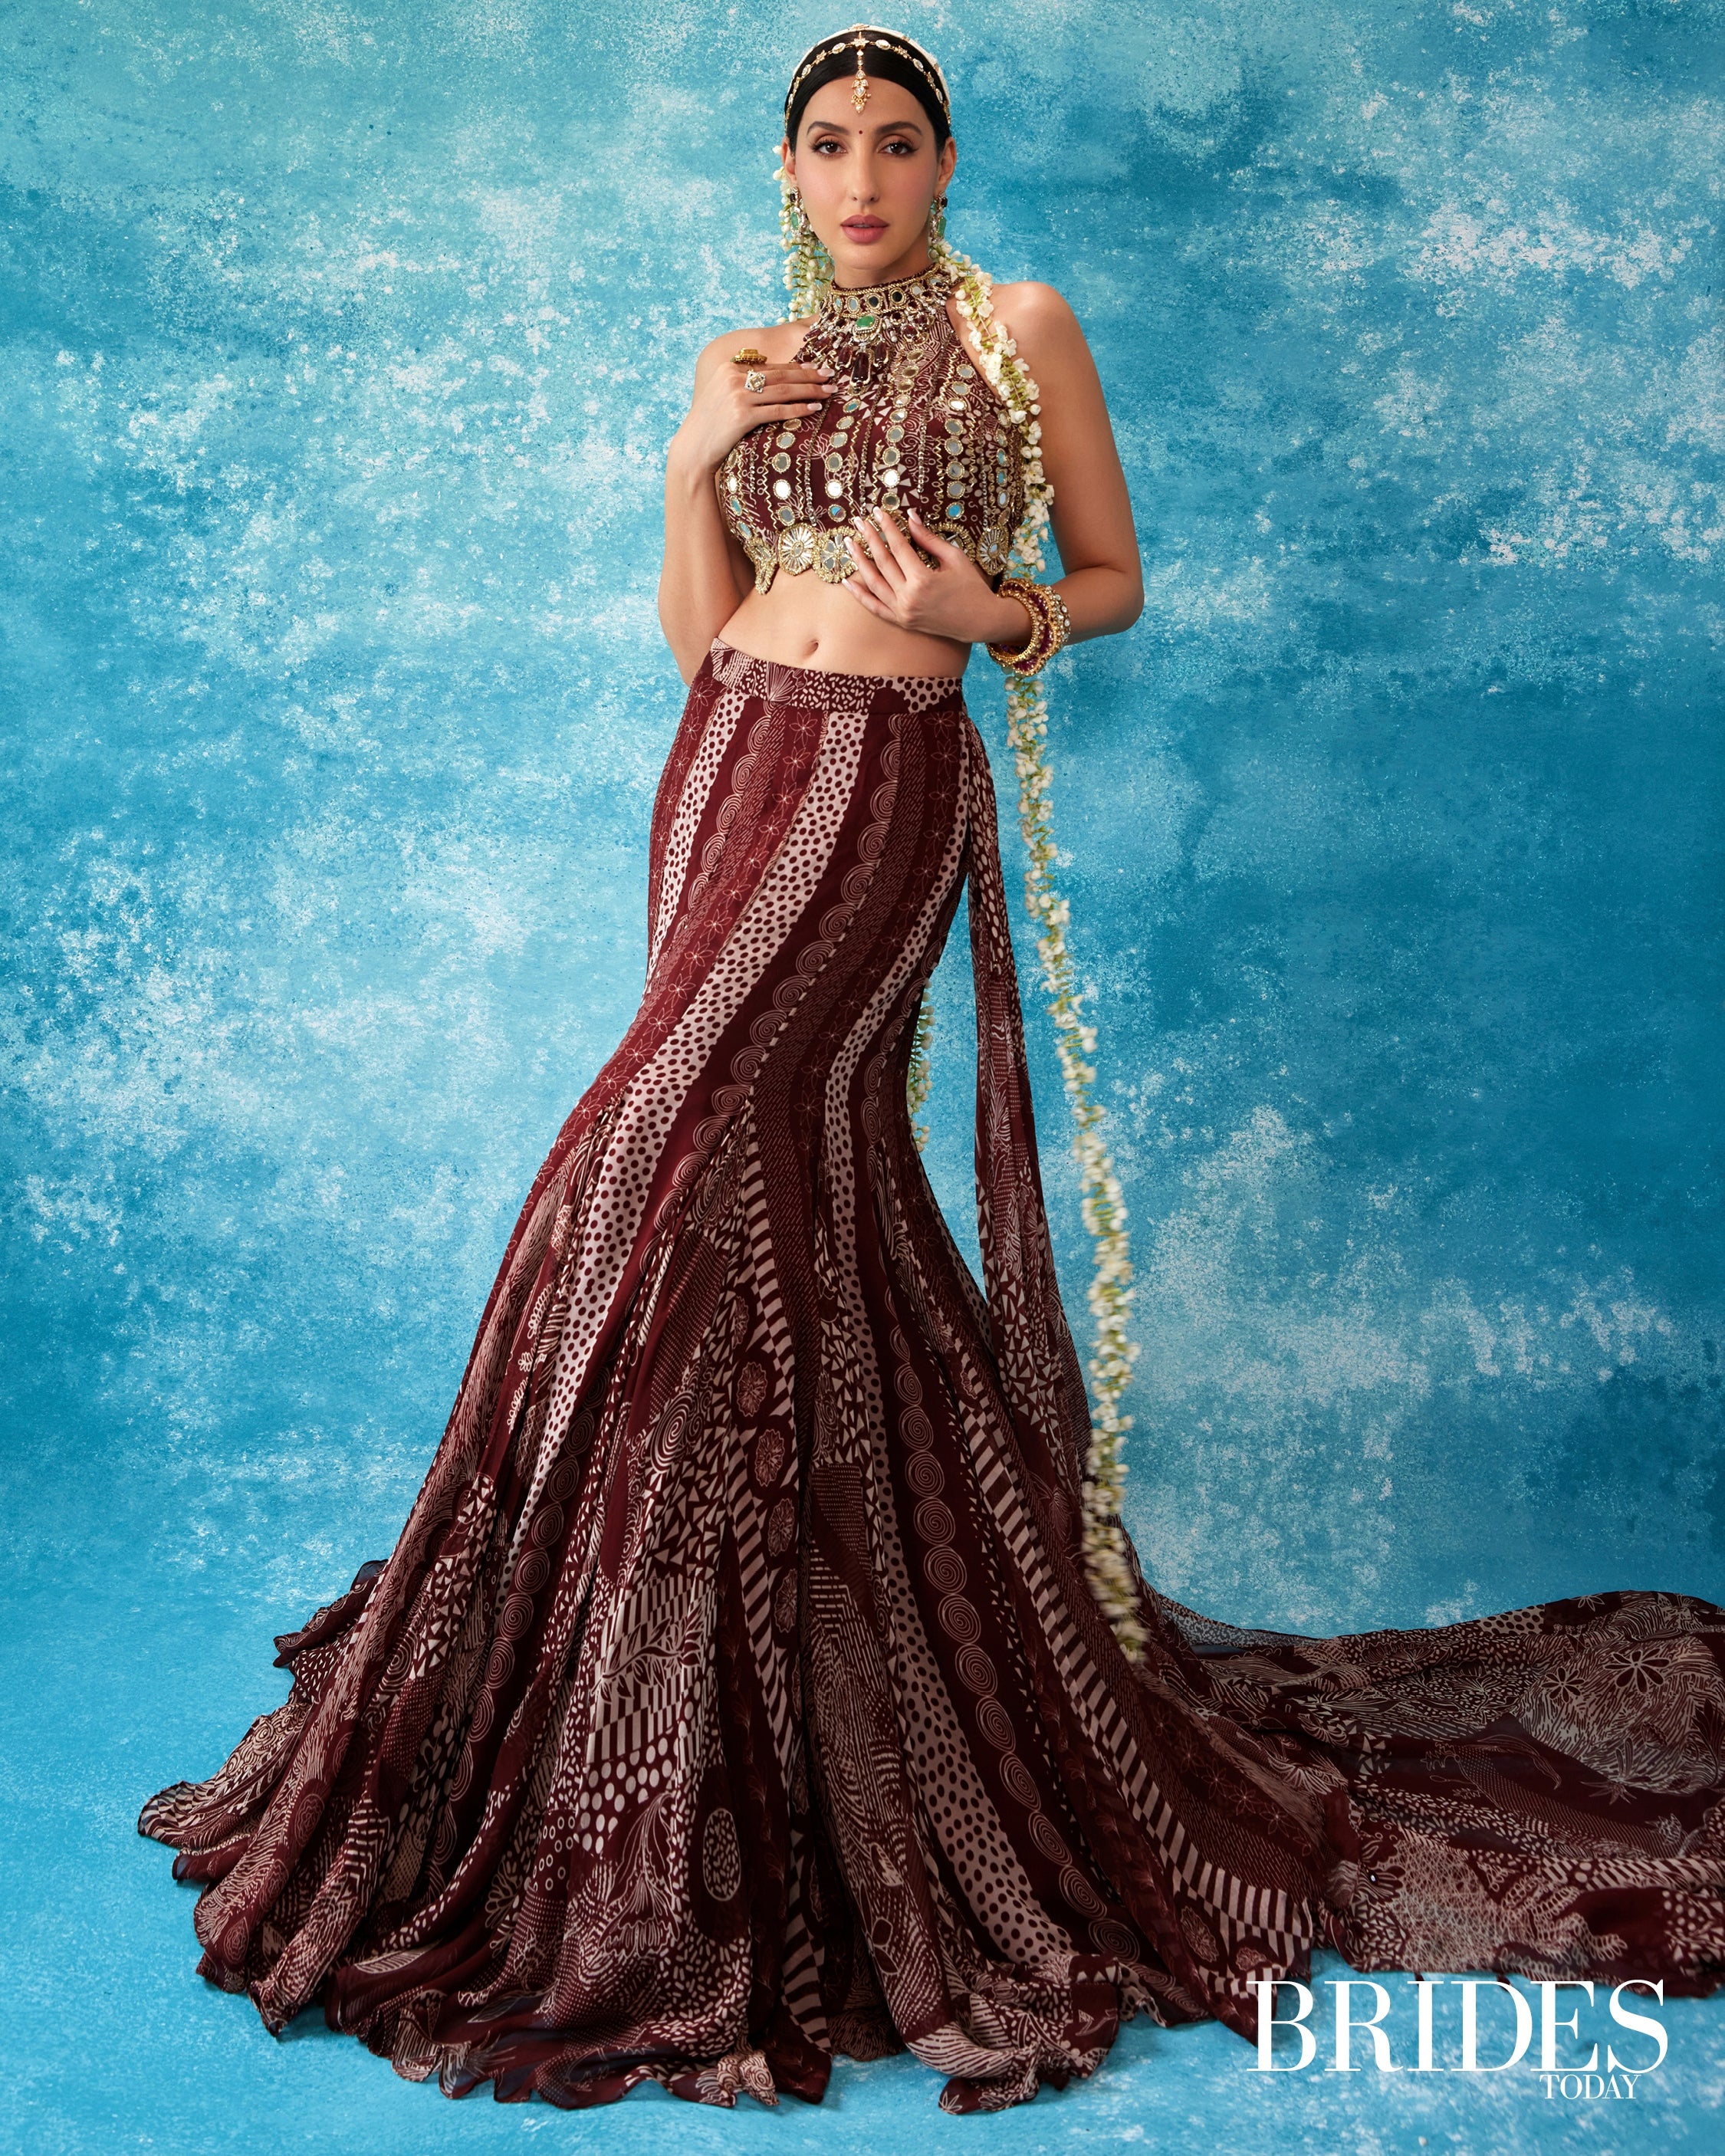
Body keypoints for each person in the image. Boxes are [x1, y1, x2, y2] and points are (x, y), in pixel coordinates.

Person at [141, 23, 1725, 2118]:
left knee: (649, 1157)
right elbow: (697, 641)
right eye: (830, 146)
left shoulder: (1020, 328)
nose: (864, 177)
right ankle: (700, 1726)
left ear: (946, 162)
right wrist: (689, 461)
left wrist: (998, 609)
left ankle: (698, 1716)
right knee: (747, 1209)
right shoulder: (742, 354)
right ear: (790, 171)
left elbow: (1115, 580)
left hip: (882, 782)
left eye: (898, 143)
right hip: (723, 771)